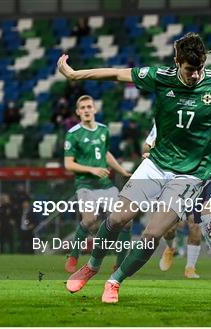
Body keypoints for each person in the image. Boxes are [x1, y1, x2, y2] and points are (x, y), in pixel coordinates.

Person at [58, 32, 211, 303]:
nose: (195, 75)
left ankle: (115, 282)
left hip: (191, 174)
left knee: (152, 233)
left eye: (199, 69)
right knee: (117, 218)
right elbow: (117, 74)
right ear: (177, 62)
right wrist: (76, 75)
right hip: (156, 164)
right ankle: (92, 266)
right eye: (189, 70)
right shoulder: (160, 76)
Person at [147, 103, 211, 290]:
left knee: (209, 219)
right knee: (203, 234)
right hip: (187, 175)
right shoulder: (170, 108)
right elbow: (153, 143)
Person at [63, 95, 132, 273]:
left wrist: (122, 171)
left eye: (89, 107)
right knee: (90, 219)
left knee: (125, 222)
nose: (86, 110)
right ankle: (74, 255)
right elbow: (68, 164)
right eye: (82, 108)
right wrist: (91, 169)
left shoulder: (104, 130)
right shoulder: (73, 134)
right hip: (85, 184)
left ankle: (119, 264)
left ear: (95, 109)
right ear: (78, 112)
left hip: (106, 185)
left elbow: (105, 153)